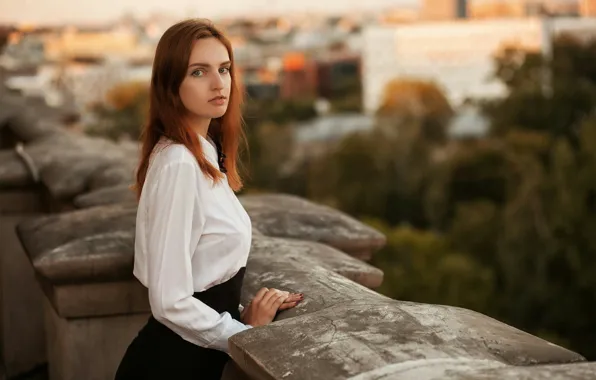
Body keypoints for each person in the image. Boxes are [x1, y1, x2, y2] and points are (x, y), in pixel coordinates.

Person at [115, 19, 303, 380]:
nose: (219, 83)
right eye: (199, 72)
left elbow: (203, 271)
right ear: (171, 85)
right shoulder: (179, 164)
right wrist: (245, 337)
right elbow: (169, 301)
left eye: (225, 69)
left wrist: (241, 312)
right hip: (171, 366)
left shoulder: (200, 152)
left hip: (194, 360)